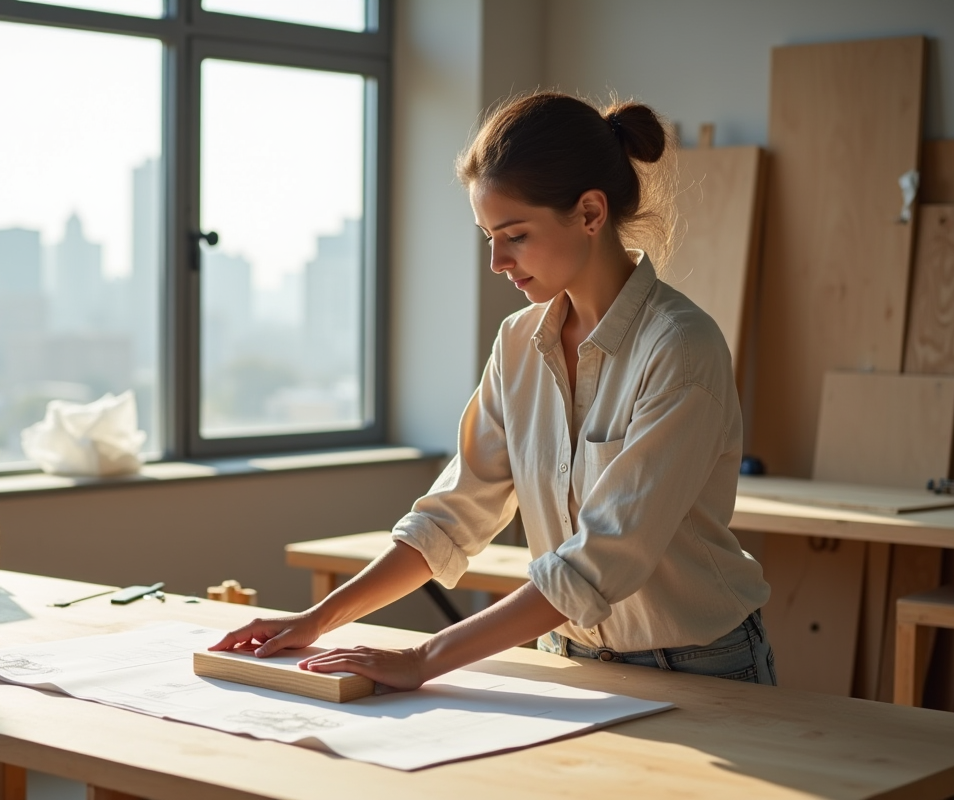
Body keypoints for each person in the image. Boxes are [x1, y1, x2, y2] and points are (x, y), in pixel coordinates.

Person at [211, 91, 775, 690]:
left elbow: (602, 559)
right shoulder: (517, 341)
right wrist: (317, 619)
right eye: (487, 236)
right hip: (566, 656)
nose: (496, 261)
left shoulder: (680, 348)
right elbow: (453, 517)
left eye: (515, 235)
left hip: (702, 667)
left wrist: (424, 658)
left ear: (589, 213)